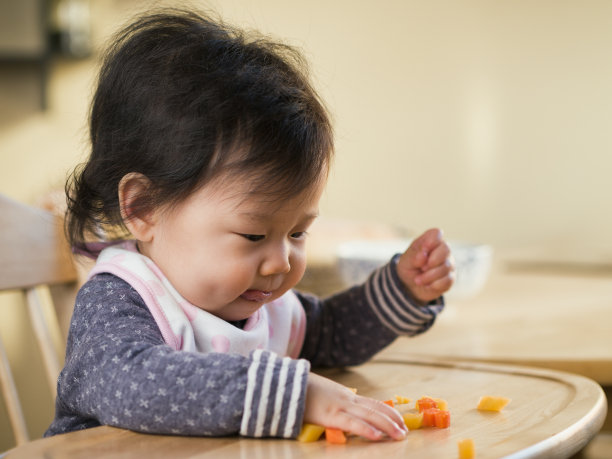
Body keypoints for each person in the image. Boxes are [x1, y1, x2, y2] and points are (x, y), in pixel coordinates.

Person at [45, 9, 454, 442]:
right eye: (254, 235)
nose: (280, 262)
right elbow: (130, 382)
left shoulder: (259, 305)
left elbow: (331, 333)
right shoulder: (120, 298)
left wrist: (402, 291)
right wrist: (296, 395)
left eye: (297, 233)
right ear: (144, 208)